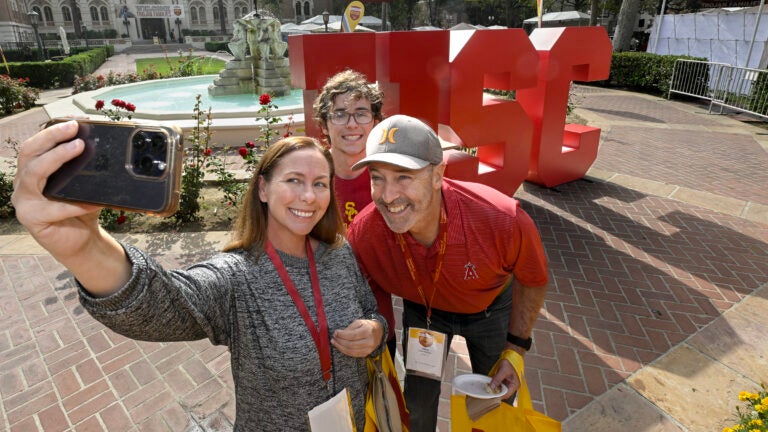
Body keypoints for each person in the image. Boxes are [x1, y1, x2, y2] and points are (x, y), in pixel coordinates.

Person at [12, 125, 388, 431]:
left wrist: (375, 331)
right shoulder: (235, 277)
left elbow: (372, 311)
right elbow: (164, 306)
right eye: (294, 180)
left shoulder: (338, 253)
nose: (309, 196)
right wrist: (84, 248)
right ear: (262, 188)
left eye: (320, 183)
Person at [346, 115, 549, 432]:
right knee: (418, 402)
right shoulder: (364, 233)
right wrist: (378, 351)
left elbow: (533, 280)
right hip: (425, 313)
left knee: (493, 400)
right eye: (377, 178)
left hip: (490, 310)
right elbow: (371, 293)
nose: (387, 196)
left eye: (404, 177)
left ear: (438, 174)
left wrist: (516, 348)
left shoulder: (503, 219)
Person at [312, 69, 384, 226]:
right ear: (324, 125)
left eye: (361, 114)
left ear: (375, 124)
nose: (352, 124)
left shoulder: (389, 175)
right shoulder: (310, 175)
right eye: (340, 115)